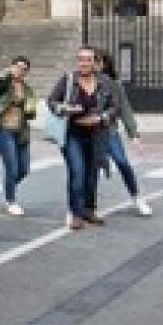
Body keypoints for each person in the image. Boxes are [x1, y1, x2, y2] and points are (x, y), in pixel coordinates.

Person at [47, 46, 115, 228]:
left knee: (92, 174)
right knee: (77, 172)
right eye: (81, 59)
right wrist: (65, 108)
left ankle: (88, 210)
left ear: (95, 62)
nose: (84, 63)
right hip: (72, 134)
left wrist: (101, 117)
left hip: (96, 135)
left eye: (88, 59)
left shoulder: (105, 82)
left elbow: (114, 108)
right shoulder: (68, 80)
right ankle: (75, 213)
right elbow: (51, 101)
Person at [96, 49, 152, 216]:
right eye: (94, 61)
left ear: (105, 64)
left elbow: (125, 110)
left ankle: (136, 197)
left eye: (99, 62)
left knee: (122, 163)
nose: (96, 65)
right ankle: (91, 203)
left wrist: (133, 135)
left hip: (109, 131)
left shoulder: (114, 84)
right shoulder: (83, 81)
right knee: (92, 168)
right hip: (89, 133)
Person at [0, 56, 38, 215]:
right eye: (18, 67)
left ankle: (6, 186)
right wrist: (8, 72)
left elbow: (32, 112)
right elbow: (0, 78)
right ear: (12, 67)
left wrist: (30, 109)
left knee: (23, 169)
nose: (20, 71)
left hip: (21, 132)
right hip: (4, 131)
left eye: (24, 69)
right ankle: (10, 201)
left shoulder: (28, 89)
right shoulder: (6, 84)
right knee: (11, 167)